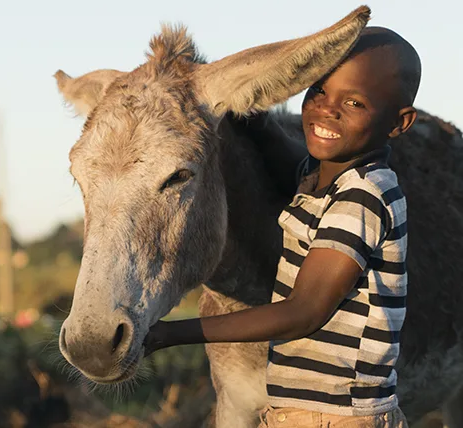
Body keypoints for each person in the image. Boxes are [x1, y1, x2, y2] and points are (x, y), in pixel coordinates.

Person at [144, 26, 421, 427]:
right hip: (303, 412)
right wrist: (238, 99)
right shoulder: (323, 176)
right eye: (319, 91)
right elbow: (279, 154)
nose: (327, 109)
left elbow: (304, 311)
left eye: (355, 102)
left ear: (400, 123)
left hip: (339, 417)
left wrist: (171, 334)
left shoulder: (362, 196)